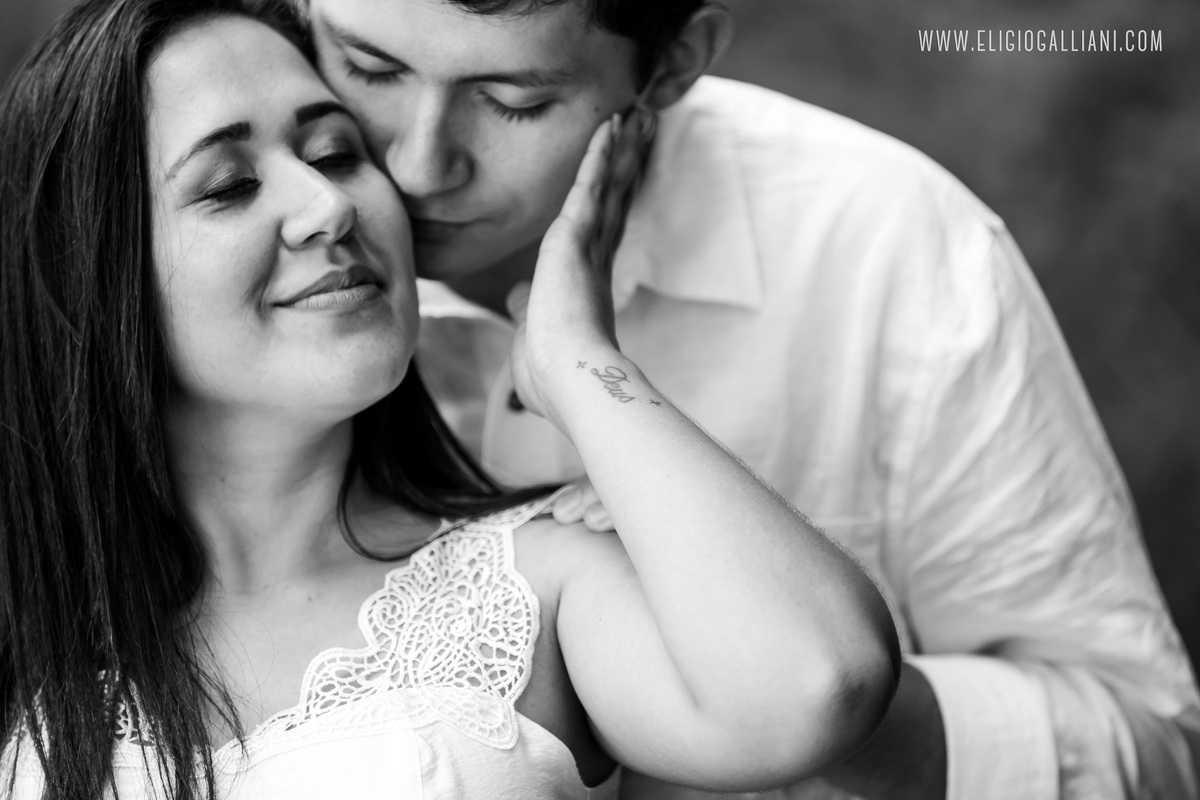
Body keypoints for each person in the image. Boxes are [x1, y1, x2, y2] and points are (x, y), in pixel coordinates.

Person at [288, 0, 1200, 798]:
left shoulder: (883, 243)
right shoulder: (232, 278)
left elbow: (1148, 752)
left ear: (674, 63)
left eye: (514, 101)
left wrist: (771, 673)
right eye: (370, 68)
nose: (420, 165)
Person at [0, 0, 900, 798]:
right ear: (86, 270)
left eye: (336, 153)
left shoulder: (536, 588)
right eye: (231, 184)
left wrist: (575, 359)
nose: (330, 204)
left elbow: (818, 684)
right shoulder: (30, 632)